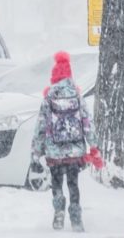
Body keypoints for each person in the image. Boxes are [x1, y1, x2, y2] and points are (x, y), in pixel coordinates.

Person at [31, 51, 101, 232]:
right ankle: (76, 217)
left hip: (54, 151)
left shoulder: (49, 98)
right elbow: (87, 122)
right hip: (74, 151)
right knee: (73, 183)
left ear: (54, 76)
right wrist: (93, 147)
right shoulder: (77, 96)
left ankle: (59, 211)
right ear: (69, 75)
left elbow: (40, 126)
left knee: (56, 181)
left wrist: (36, 151)